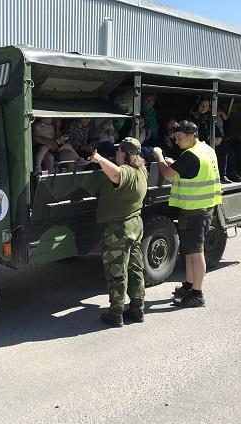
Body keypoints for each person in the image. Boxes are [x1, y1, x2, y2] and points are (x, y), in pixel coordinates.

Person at [152, 121, 222, 308]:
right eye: (175, 138)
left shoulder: (190, 155)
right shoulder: (206, 149)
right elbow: (193, 171)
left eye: (180, 138)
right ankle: (190, 285)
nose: (177, 142)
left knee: (196, 252)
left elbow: (167, 174)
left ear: (192, 135)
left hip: (196, 210)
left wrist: (159, 156)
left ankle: (197, 294)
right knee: (190, 250)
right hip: (203, 208)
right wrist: (177, 164)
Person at [88, 137, 148, 326]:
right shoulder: (142, 171)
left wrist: (98, 159)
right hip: (136, 225)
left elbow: (115, 176)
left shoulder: (127, 172)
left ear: (124, 153)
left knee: (117, 272)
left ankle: (116, 313)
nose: (116, 154)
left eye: (118, 151)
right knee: (135, 269)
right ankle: (137, 310)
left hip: (119, 229)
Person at [189, 98, 229, 183]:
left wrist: (219, 137)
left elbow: (216, 130)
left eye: (206, 106)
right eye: (202, 105)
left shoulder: (209, 117)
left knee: (224, 146)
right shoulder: (192, 116)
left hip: (210, 141)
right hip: (198, 142)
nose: (204, 108)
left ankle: (222, 175)